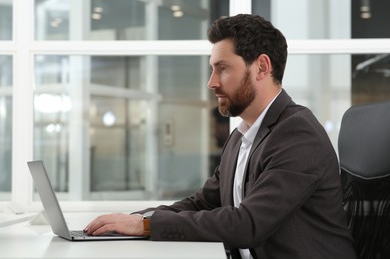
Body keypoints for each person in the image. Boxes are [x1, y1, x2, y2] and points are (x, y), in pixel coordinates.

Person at [84, 14, 357, 259]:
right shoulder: (242, 136)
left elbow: (248, 223)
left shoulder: (297, 134)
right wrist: (137, 220)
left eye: (222, 68)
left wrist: (145, 227)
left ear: (262, 67)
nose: (211, 82)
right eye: (212, 69)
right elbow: (203, 202)